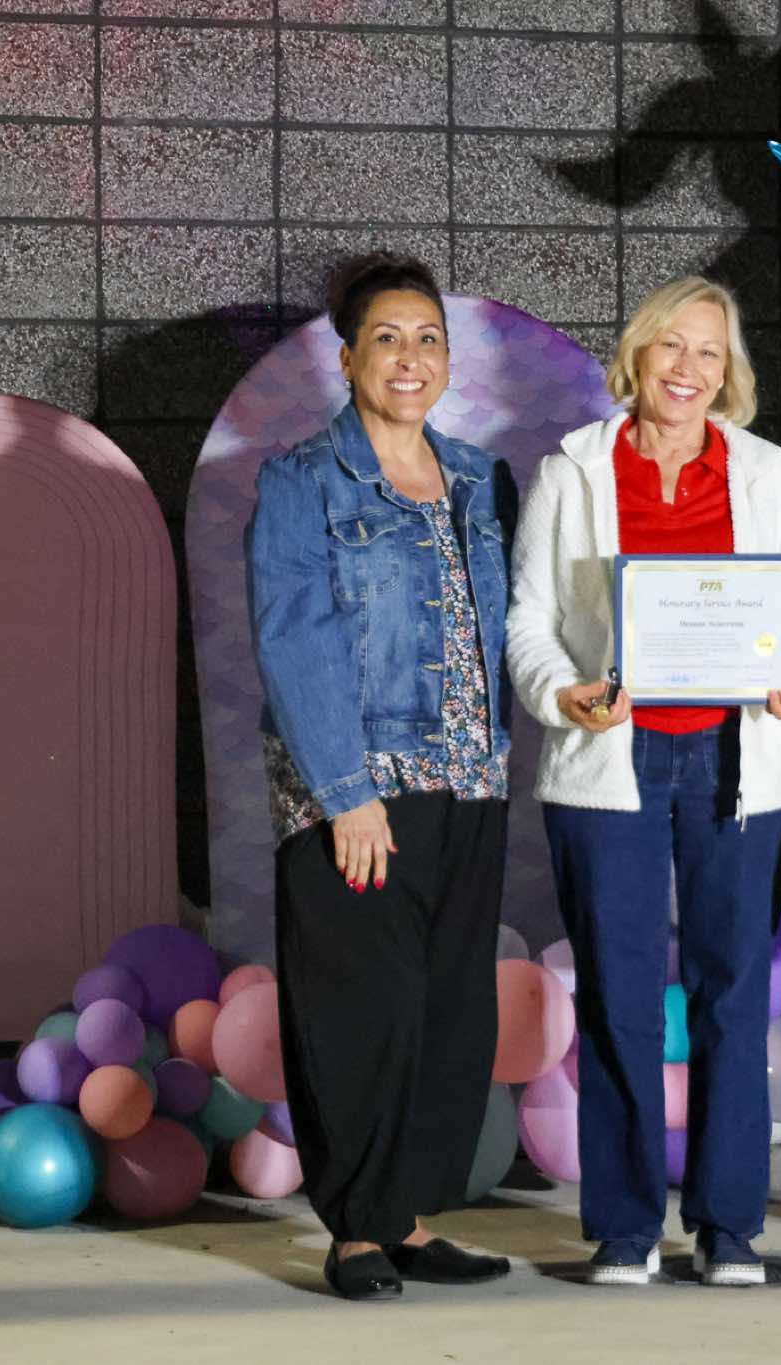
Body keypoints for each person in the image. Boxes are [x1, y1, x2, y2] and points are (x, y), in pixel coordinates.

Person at [507, 276, 781, 1287]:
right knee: (619, 994)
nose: (688, 369)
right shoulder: (573, 470)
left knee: (733, 993)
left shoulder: (768, 472)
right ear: (636, 355)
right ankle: (626, 1226)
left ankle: (729, 1226)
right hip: (610, 759)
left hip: (737, 759)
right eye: (670, 347)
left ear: (729, 372)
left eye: (709, 352)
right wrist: (563, 695)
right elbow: (529, 619)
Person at [248, 253, 517, 1302]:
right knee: (361, 1009)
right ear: (348, 358)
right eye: (387, 338)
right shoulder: (302, 479)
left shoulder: (481, 479)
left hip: (470, 783)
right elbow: (293, 636)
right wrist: (345, 792)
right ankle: (357, 1230)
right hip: (358, 789)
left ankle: (404, 1218)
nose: (410, 357)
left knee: (442, 1012)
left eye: (428, 338)